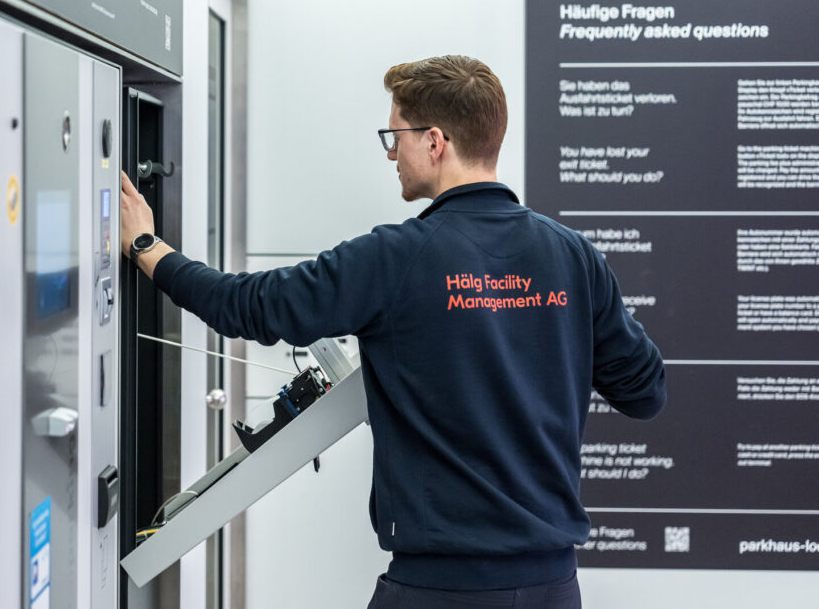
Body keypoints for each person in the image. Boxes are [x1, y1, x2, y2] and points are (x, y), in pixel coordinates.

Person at [119, 55, 666, 608]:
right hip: (554, 589)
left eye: (394, 135)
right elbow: (645, 392)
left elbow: (249, 307)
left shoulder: (395, 259)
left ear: (434, 141)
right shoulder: (574, 257)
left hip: (440, 592)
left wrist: (147, 247)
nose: (390, 153)